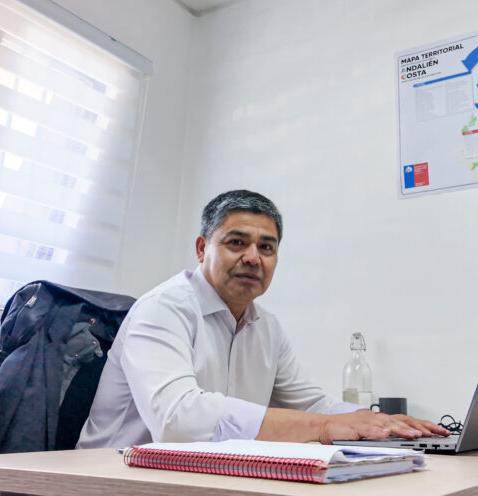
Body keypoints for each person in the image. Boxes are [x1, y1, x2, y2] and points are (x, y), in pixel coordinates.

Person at [77, 190, 448, 447]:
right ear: (202, 248)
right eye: (236, 243)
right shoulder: (162, 308)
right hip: (111, 478)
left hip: (204, 478)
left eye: (266, 247)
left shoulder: (266, 326)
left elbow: (311, 403)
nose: (253, 257)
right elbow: (178, 421)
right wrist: (325, 427)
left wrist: (381, 422)